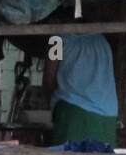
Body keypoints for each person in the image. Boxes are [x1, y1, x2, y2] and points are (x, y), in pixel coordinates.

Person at [42, 15, 119, 147]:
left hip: (73, 112)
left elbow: (49, 77)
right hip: (108, 113)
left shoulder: (56, 39)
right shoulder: (102, 40)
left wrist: (50, 102)